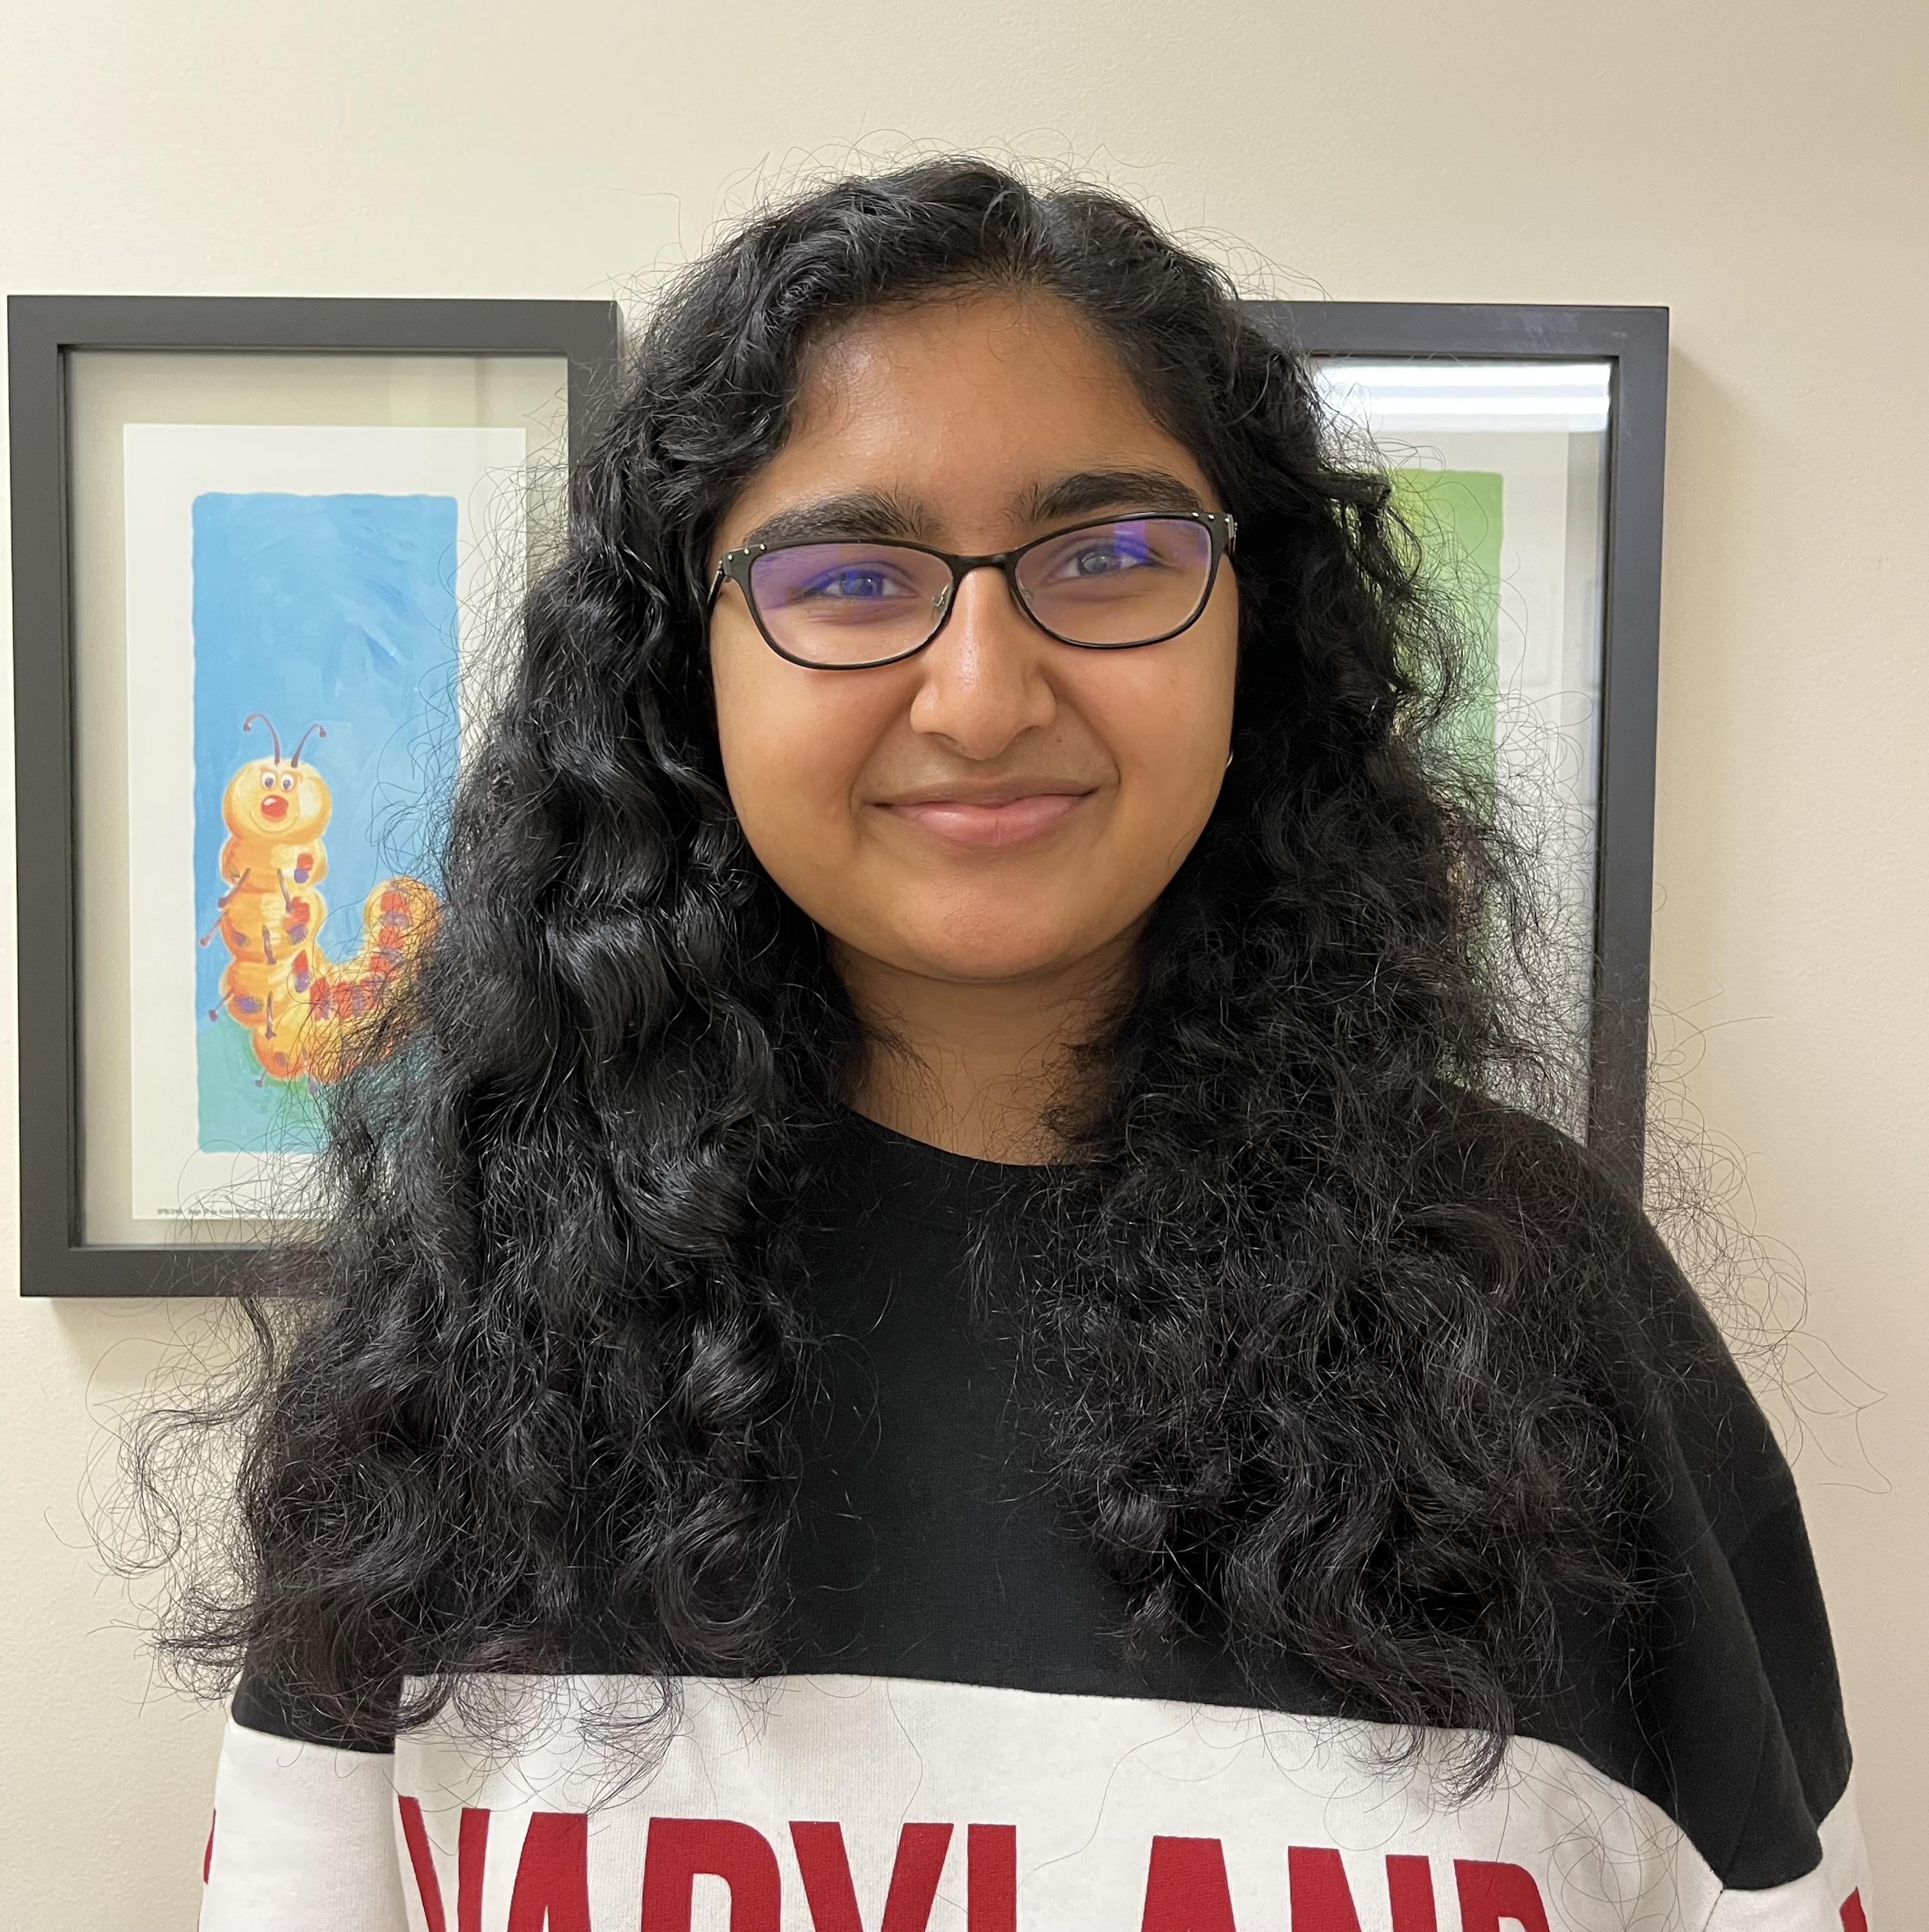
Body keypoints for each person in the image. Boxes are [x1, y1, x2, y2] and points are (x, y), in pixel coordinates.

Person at [185, 159, 1870, 1929]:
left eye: (1117, 553)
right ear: (691, 671)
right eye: (849, 575)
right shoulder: (465, 1321)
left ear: (1254, 635)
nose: (983, 695)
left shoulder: (1542, 1310)